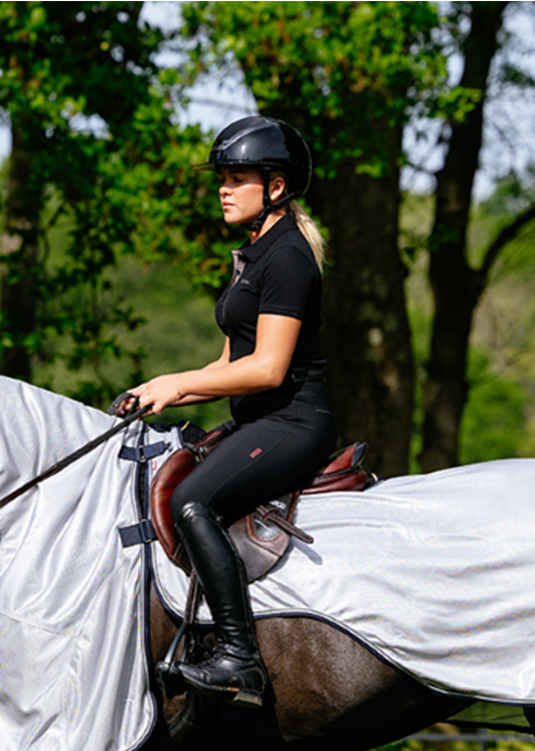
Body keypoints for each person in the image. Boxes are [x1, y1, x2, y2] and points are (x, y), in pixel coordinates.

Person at [120, 116, 335, 708]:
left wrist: (180, 381)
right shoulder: (254, 254)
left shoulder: (288, 256)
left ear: (276, 187)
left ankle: (241, 659)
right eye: (222, 177)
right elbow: (228, 363)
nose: (223, 188)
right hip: (258, 421)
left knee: (193, 501)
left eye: (237, 178)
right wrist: (160, 391)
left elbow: (267, 368)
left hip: (293, 422)